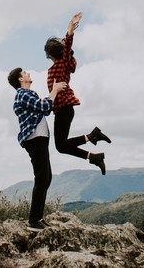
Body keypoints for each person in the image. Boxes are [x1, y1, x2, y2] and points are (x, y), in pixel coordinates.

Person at [45, 11, 111, 175]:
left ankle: (92, 138)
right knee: (61, 146)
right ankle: (94, 155)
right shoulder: (57, 66)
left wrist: (70, 30)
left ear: (50, 54)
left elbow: (67, 47)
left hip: (65, 109)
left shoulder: (62, 64)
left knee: (60, 146)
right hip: (62, 110)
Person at [8, 67, 65, 232]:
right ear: (20, 79)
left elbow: (46, 109)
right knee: (42, 178)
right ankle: (33, 221)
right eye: (25, 73)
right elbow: (44, 106)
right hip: (34, 139)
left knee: (46, 177)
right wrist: (54, 90)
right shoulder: (22, 94)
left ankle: (38, 218)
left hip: (39, 139)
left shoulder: (28, 94)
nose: (28, 73)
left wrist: (50, 98)